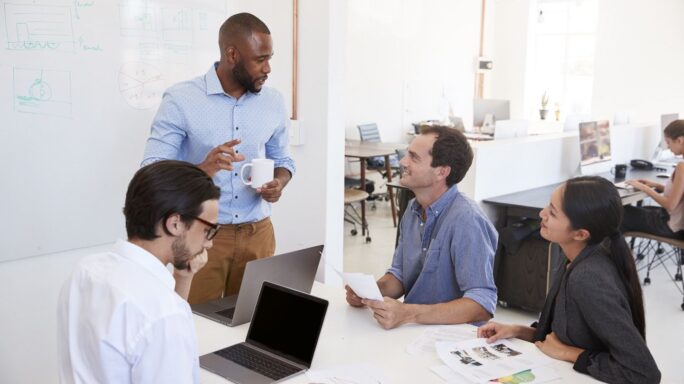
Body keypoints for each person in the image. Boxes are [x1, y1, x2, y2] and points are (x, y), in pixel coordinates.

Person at [141, 13, 295, 304]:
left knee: (254, 326)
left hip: (258, 233)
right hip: (200, 237)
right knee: (196, 328)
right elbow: (150, 172)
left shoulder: (273, 101)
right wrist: (202, 170)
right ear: (232, 54)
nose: (268, 68)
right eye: (260, 59)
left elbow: (283, 159)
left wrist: (279, 181)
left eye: (269, 58)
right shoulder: (180, 99)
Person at [477, 176, 660, 383]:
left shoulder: (588, 278)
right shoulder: (574, 258)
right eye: (548, 205)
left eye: (552, 213)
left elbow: (644, 373)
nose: (542, 214)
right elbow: (561, 334)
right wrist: (517, 331)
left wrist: (568, 353)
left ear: (580, 234)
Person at [57, 160, 220, 383]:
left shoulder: (85, 271)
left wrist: (184, 275)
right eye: (208, 230)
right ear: (175, 224)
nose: (209, 244)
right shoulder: (163, 313)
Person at [345, 126, 498, 329]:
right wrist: (370, 292)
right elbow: (399, 275)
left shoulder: (467, 220)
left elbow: (482, 303)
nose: (402, 162)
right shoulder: (412, 209)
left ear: (442, 172)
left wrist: (408, 313)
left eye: (413, 158)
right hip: (415, 332)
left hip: (452, 340)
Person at [622, 120, 684, 239]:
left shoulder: (682, 167)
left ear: (680, 140)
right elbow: (680, 193)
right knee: (632, 211)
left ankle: (621, 256)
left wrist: (645, 188)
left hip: (672, 227)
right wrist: (656, 185)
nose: (667, 146)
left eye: (668, 142)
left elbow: (670, 205)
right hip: (677, 225)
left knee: (620, 214)